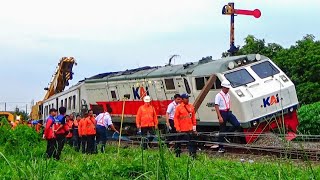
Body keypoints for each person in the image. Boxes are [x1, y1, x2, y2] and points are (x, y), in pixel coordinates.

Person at [214, 80, 240, 153]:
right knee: (222, 130)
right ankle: (221, 147)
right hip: (222, 113)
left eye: (228, 88)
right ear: (223, 87)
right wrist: (219, 116)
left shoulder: (228, 95)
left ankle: (227, 134)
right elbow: (216, 106)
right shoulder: (218, 95)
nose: (228, 90)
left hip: (228, 112)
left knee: (237, 124)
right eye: (226, 88)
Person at [174, 93, 197, 158]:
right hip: (181, 129)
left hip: (189, 129)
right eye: (186, 98)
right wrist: (177, 128)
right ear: (182, 99)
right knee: (178, 143)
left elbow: (193, 118)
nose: (187, 99)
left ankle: (192, 156)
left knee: (191, 143)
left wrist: (194, 128)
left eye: (188, 98)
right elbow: (176, 118)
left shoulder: (191, 106)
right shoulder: (178, 108)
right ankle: (177, 155)